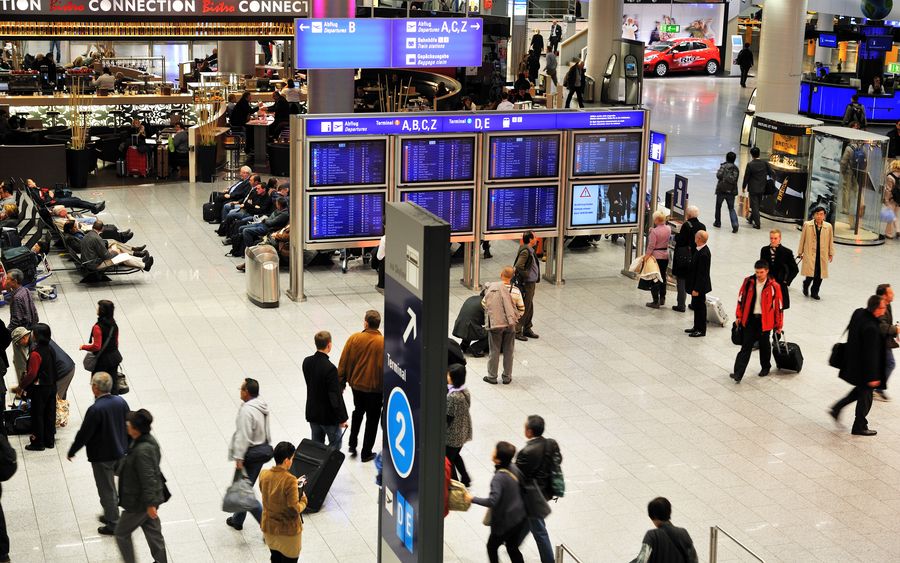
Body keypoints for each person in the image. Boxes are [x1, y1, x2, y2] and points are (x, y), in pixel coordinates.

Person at [67, 372, 130, 535]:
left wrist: (73, 450)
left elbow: (84, 434)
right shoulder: (120, 402)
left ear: (96, 388)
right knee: (112, 487)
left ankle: (113, 523)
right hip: (121, 451)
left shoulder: (95, 409)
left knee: (106, 490)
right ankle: (111, 513)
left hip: (103, 456)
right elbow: (129, 424)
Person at [115, 409, 168, 563]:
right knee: (153, 532)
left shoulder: (142, 451)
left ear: (136, 429)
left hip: (139, 501)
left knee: (121, 533)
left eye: (129, 424)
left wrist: (151, 504)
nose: (127, 425)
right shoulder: (146, 441)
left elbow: (148, 478)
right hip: (148, 499)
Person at [830, 295, 887, 436]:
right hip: (865, 368)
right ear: (875, 309)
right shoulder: (872, 328)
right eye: (883, 307)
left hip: (853, 362)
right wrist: (873, 376)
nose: (885, 309)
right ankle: (859, 426)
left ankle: (837, 408)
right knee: (866, 396)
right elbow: (871, 355)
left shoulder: (859, 313)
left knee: (860, 391)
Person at [465, 441, 529, 563]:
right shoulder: (514, 468)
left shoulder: (498, 478)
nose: (493, 451)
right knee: (512, 547)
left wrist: (472, 499)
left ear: (498, 460)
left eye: (495, 450)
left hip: (504, 523)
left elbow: (493, 501)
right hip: (519, 517)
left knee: (492, 547)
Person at [338, 310, 385, 462]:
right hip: (376, 390)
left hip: (357, 387)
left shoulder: (354, 338)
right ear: (378, 324)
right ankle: (366, 452)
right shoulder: (384, 342)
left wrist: (341, 382)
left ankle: (352, 443)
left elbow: (344, 361)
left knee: (358, 412)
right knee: (372, 419)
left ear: (365, 322)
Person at [515, 415, 562, 563]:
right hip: (547, 491)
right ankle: (514, 542)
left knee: (539, 530)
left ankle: (549, 560)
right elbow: (558, 460)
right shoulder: (551, 443)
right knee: (528, 519)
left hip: (533, 496)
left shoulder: (526, 452)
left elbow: (518, 474)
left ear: (529, 431)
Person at [226, 377, 271, 531]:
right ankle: (237, 519)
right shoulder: (260, 405)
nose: (240, 391)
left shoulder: (247, 410)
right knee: (244, 487)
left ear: (247, 392)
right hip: (261, 451)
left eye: (241, 389)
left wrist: (239, 458)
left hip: (249, 455)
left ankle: (268, 527)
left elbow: (243, 436)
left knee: (244, 493)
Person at [729, 260, 784, 383]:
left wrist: (778, 325)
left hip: (765, 321)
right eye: (757, 272)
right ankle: (738, 373)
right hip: (750, 319)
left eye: (761, 272)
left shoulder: (774, 286)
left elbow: (779, 307)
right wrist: (738, 316)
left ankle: (765, 367)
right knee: (745, 346)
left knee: (764, 345)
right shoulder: (748, 282)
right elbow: (740, 299)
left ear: (767, 271)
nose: (759, 275)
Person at [259, 441, 308, 563]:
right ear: (286, 460)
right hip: (287, 532)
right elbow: (294, 509)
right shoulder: (290, 480)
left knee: (275, 558)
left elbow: (271, 493)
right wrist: (303, 500)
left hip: (269, 528)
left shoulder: (264, 474)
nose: (292, 461)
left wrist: (293, 486)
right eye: (292, 458)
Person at [302, 331, 348, 448]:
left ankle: (317, 466)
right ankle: (327, 466)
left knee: (316, 445)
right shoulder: (330, 368)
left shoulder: (307, 362)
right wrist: (342, 418)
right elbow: (334, 396)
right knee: (335, 444)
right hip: (327, 416)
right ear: (329, 345)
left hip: (313, 411)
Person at [482, 267, 525, 385]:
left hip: (496, 324)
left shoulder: (493, 288)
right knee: (509, 351)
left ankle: (492, 376)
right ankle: (507, 377)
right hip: (510, 325)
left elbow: (484, 303)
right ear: (512, 276)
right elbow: (522, 309)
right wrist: (513, 318)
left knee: (494, 350)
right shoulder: (516, 291)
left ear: (501, 274)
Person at [18, 323, 57, 451]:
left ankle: (38, 442)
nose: (32, 334)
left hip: (40, 389)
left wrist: (22, 385)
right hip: (51, 386)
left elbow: (32, 373)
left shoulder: (35, 353)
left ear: (38, 336)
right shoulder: (50, 348)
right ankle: (49, 440)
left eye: (33, 332)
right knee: (50, 414)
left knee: (38, 415)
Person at [629, 497, 699, 563]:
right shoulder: (683, 533)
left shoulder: (652, 535)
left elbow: (642, 560)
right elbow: (693, 559)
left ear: (653, 516)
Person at [79, 221, 154, 272]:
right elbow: (107, 257)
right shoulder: (97, 238)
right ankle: (145, 266)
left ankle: (141, 261)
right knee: (121, 257)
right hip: (94, 265)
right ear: (102, 229)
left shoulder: (87, 235)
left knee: (120, 254)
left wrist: (112, 251)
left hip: (88, 261)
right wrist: (115, 252)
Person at [671, 206, 706, 313]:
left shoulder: (686, 225)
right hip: (696, 257)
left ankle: (681, 305)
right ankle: (694, 304)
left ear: (688, 215)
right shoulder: (702, 226)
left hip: (684, 258)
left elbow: (681, 240)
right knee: (695, 281)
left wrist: (676, 236)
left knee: (681, 280)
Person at [80, 300, 123, 383]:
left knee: (99, 385)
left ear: (102, 311)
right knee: (113, 383)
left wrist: (83, 347)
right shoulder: (114, 325)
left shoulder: (98, 327)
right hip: (114, 358)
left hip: (102, 361)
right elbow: (116, 342)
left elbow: (97, 346)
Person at [797, 207, 835, 300]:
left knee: (820, 275)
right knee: (811, 274)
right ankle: (806, 284)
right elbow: (803, 239)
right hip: (810, 253)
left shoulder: (828, 227)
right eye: (817, 214)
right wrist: (800, 252)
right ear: (814, 215)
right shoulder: (807, 225)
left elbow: (831, 241)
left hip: (822, 254)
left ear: (824, 216)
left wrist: (831, 253)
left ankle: (815, 292)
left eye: (821, 214)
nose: (819, 216)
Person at [445, 363, 472, 487]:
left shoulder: (453, 397)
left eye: (449, 375)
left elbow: (448, 419)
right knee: (456, 455)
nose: (447, 376)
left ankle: (454, 484)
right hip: (462, 430)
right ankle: (465, 478)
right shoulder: (464, 391)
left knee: (448, 460)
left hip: (452, 436)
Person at [759, 229, 798, 310]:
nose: (773, 240)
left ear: (780, 238)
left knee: (779, 308)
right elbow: (761, 265)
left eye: (775, 238)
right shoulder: (764, 250)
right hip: (767, 284)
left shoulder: (787, 252)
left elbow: (794, 269)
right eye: (771, 238)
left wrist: (786, 281)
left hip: (780, 285)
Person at [514, 231, 540, 341]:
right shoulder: (526, 251)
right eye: (534, 237)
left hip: (531, 283)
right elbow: (519, 265)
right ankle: (517, 331)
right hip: (527, 283)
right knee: (524, 306)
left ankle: (527, 328)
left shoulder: (529, 250)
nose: (536, 239)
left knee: (530, 306)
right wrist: (527, 275)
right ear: (530, 239)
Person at [685, 231, 711, 338]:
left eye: (696, 236)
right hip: (696, 285)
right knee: (696, 306)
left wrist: (696, 289)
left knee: (700, 308)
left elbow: (702, 274)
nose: (694, 237)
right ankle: (696, 326)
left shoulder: (704, 254)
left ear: (699, 239)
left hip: (699, 287)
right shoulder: (699, 249)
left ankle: (701, 329)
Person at [644, 211, 672, 309]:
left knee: (655, 278)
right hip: (665, 255)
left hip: (656, 257)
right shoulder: (668, 229)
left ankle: (655, 301)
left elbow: (651, 245)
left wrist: (646, 256)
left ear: (656, 220)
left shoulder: (654, 232)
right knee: (663, 276)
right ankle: (663, 297)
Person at [875, 284, 897, 402]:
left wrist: (894, 331)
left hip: (883, 340)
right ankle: (877, 389)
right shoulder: (880, 306)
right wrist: (895, 329)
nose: (893, 295)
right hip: (878, 342)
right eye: (890, 293)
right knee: (890, 363)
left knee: (884, 364)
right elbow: (882, 326)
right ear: (884, 295)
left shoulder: (887, 305)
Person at [741, 146, 771, 230]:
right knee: (757, 204)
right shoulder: (764, 163)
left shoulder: (750, 165)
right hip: (762, 187)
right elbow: (771, 173)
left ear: (751, 155)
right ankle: (751, 219)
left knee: (754, 206)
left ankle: (757, 224)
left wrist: (743, 186)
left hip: (753, 188)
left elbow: (746, 177)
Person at [714, 151, 740, 233]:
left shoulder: (723, 166)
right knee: (731, 208)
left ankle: (717, 222)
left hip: (721, 190)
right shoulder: (736, 169)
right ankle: (735, 224)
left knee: (718, 206)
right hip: (731, 191)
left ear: (726, 158)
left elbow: (718, 175)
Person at [883, 160, 900, 238]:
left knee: (890, 216)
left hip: (892, 199)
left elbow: (888, 190)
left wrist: (886, 200)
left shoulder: (890, 177)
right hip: (898, 199)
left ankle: (889, 233)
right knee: (896, 215)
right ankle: (898, 230)